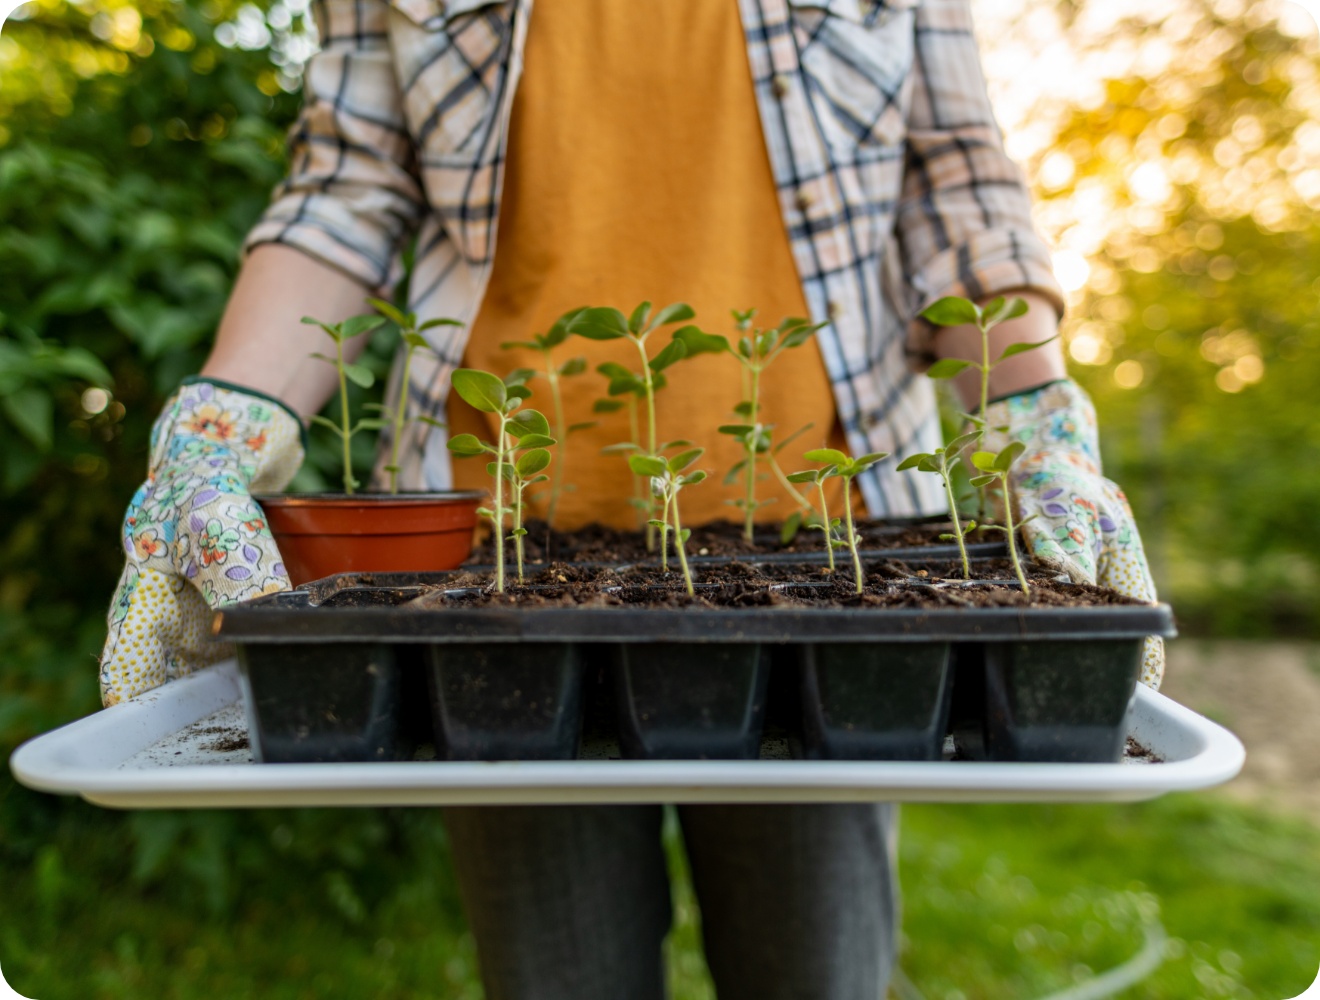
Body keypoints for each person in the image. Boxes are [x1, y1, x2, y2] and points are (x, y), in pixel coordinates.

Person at [97, 1, 1164, 996]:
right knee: (559, 969)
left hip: (832, 562)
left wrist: (1037, 420)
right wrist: (219, 433)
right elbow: (348, 185)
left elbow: (959, 189)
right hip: (491, 577)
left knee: (816, 967)